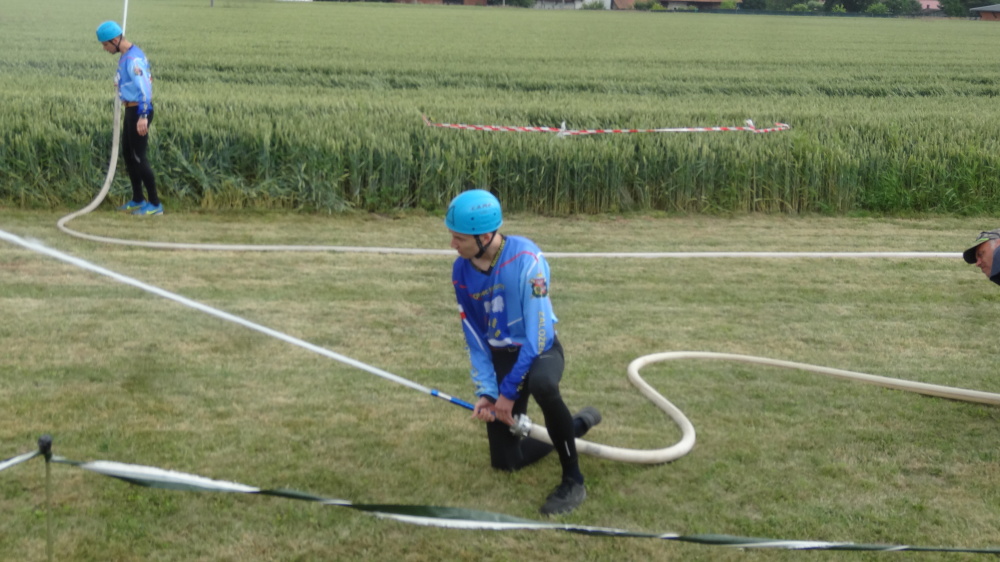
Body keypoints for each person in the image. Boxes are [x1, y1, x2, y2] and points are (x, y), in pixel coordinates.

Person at [446, 189, 601, 516]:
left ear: (484, 236)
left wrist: (509, 392)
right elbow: (475, 337)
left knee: (543, 385)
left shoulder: (528, 260)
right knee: (506, 461)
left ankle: (573, 479)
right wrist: (488, 392)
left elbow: (539, 332)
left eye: (459, 238)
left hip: (539, 348)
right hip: (502, 355)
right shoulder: (460, 271)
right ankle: (572, 427)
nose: (452, 244)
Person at [96, 21, 163, 216]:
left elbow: (145, 88)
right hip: (130, 109)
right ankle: (138, 199)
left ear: (115, 40)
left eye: (105, 44)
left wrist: (143, 115)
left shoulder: (133, 59)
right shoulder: (125, 56)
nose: (104, 48)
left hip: (139, 111)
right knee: (129, 155)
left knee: (138, 157)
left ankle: (155, 204)